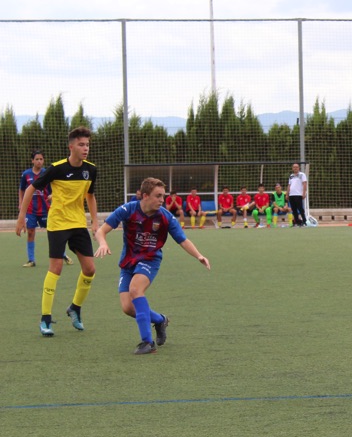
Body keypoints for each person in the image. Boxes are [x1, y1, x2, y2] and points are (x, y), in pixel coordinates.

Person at [94, 177, 211, 355]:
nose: (162, 200)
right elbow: (101, 231)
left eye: (163, 196)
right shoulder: (128, 209)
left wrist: (199, 255)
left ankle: (147, 343)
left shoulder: (165, 216)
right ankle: (160, 319)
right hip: (128, 261)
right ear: (145, 196)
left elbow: (183, 240)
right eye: (158, 196)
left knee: (135, 290)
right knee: (127, 308)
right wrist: (102, 243)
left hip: (150, 260)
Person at [15, 127, 99, 337]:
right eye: (81, 144)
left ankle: (75, 309)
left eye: (87, 144)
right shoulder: (55, 169)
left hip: (78, 223)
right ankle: (45, 319)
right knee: (56, 268)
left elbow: (90, 195)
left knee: (89, 269)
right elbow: (30, 189)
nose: (85, 148)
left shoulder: (91, 169)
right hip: (58, 223)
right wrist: (21, 217)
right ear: (71, 147)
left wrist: (95, 221)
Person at [19, 150, 73, 268]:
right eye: (37, 159)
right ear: (32, 160)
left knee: (53, 232)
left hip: (46, 209)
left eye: (41, 159)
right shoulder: (26, 174)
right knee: (30, 232)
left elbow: (56, 187)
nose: (39, 161)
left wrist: (52, 195)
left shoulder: (47, 172)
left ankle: (63, 254)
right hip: (30, 210)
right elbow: (22, 190)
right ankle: (31, 260)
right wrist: (21, 204)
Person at [288, 163, 308, 227]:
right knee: (294, 210)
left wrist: (304, 193)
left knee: (300, 209)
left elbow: (304, 183)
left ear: (299, 168)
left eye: (296, 167)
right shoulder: (291, 176)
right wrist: (287, 194)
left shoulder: (302, 175)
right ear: (292, 168)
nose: (295, 168)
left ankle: (304, 221)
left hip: (298, 194)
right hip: (291, 195)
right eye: (294, 167)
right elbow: (289, 185)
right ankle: (297, 222)